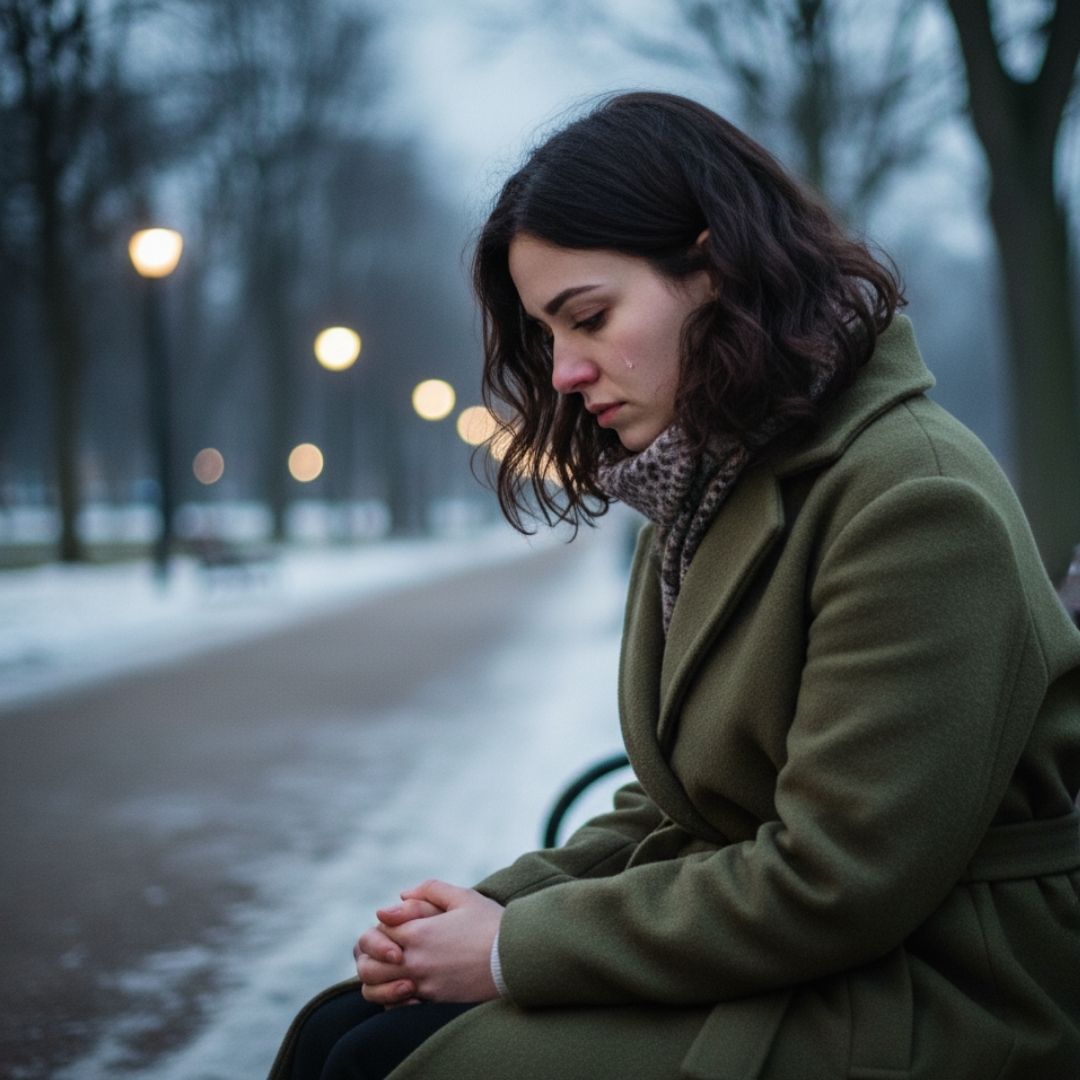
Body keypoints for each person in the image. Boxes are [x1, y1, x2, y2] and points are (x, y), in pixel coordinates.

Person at [269, 91, 1080, 1080]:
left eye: (589, 318)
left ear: (714, 267)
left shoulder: (914, 498)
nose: (562, 373)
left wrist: (509, 949)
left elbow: (838, 879)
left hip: (942, 982)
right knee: (339, 1032)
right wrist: (489, 910)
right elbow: (690, 807)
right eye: (547, 335)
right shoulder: (707, 482)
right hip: (808, 946)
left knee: (397, 1066)